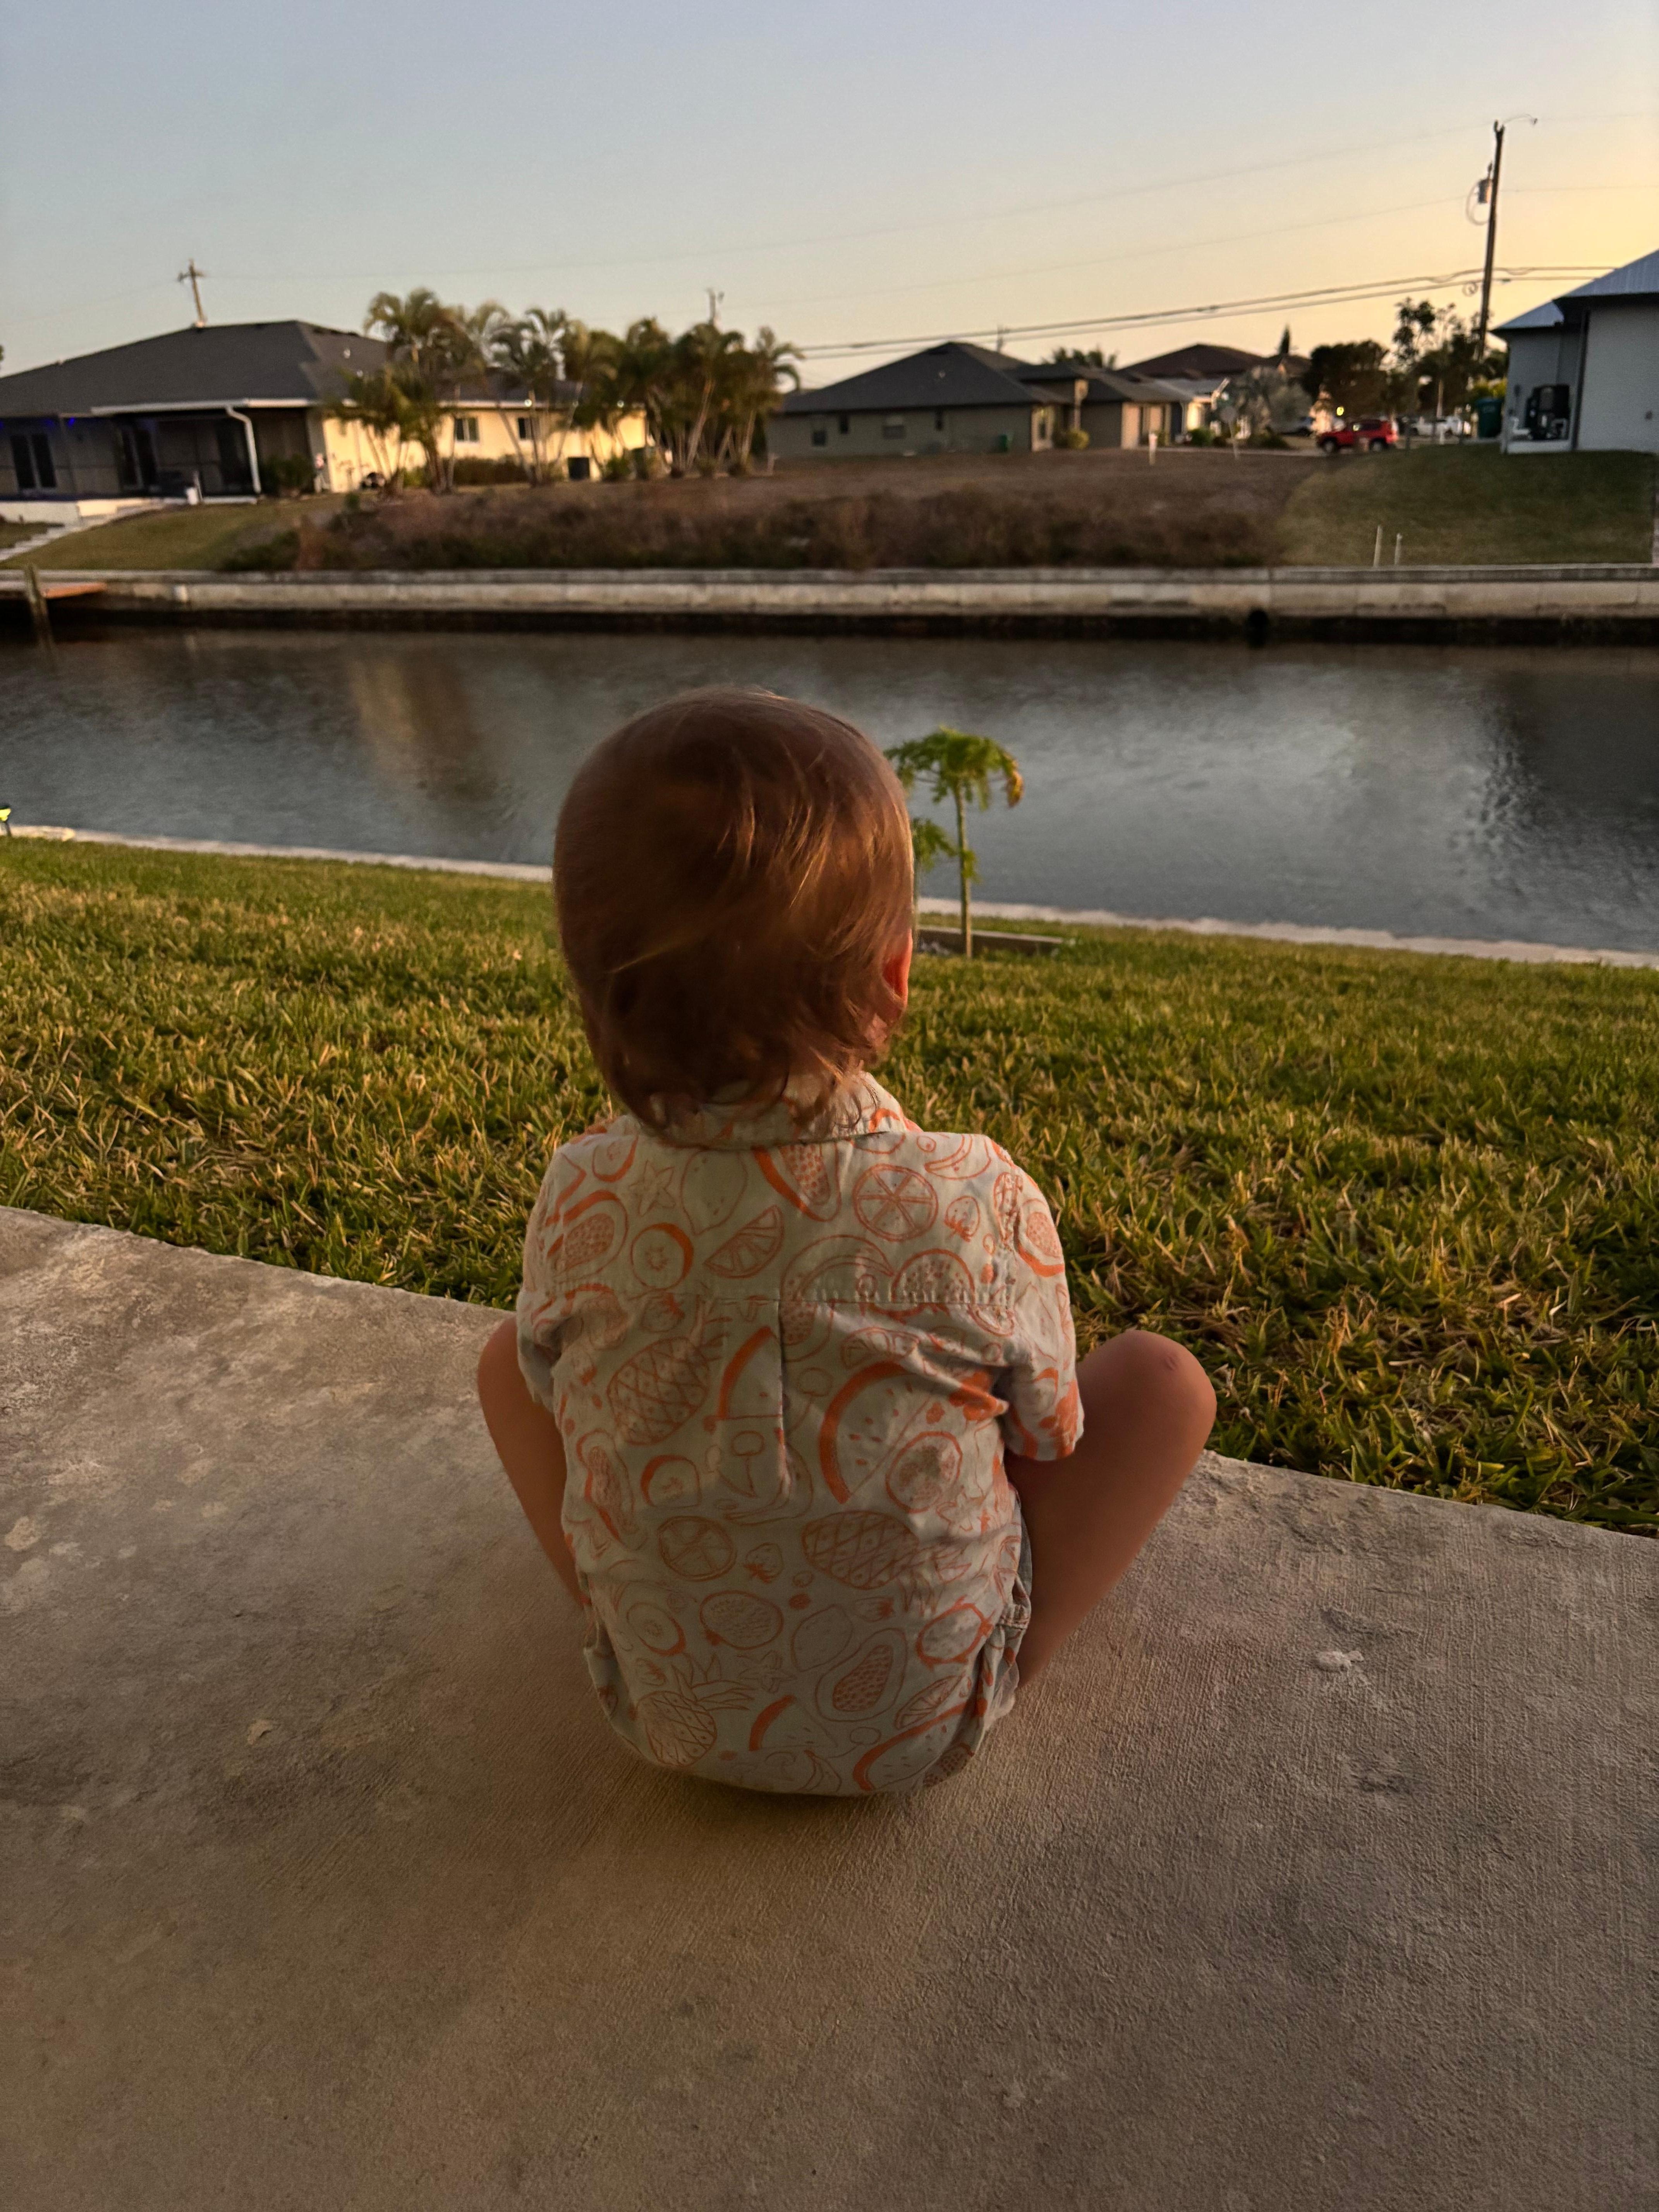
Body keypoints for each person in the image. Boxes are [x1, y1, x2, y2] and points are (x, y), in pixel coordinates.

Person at [477, 688, 1214, 1795]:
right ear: (893, 976)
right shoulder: (973, 1192)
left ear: (594, 1000)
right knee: (1165, 1382)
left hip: (660, 1718)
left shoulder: (581, 1187)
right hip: (923, 1731)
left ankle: (633, 1616)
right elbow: (1050, 1434)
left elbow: (548, 1377)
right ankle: (1009, 1656)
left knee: (501, 1361)